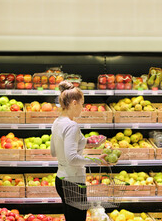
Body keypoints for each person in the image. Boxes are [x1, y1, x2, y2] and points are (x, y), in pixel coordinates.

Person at [51, 81, 107, 221]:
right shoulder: (72, 126)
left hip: (61, 179)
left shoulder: (57, 122)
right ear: (74, 103)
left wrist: (86, 142)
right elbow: (72, 158)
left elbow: (54, 151)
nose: (82, 108)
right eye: (82, 104)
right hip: (73, 182)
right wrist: (97, 159)